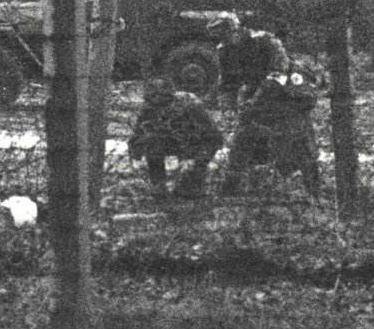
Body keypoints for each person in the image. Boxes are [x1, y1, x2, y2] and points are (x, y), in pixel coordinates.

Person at [220, 61, 322, 199]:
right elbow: (235, 100)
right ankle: (230, 190)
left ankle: (314, 193)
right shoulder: (248, 72)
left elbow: (309, 98)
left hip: (289, 125)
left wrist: (283, 94)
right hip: (260, 124)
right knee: (243, 139)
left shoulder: (293, 71)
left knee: (302, 144)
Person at [128, 77, 224, 198]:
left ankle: (191, 182)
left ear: (171, 99)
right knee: (151, 140)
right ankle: (159, 184)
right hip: (170, 141)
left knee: (188, 193)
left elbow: (215, 139)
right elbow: (136, 137)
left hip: (193, 147)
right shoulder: (148, 108)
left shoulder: (191, 106)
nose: (159, 110)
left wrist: (195, 160)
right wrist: (135, 158)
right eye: (153, 102)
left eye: (163, 103)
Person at [207, 15, 289, 108]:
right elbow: (226, 81)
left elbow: (280, 73)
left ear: (236, 31)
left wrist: (255, 99)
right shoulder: (225, 50)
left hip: (279, 87)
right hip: (251, 86)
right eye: (221, 39)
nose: (224, 42)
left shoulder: (265, 41)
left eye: (226, 37)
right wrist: (224, 104)